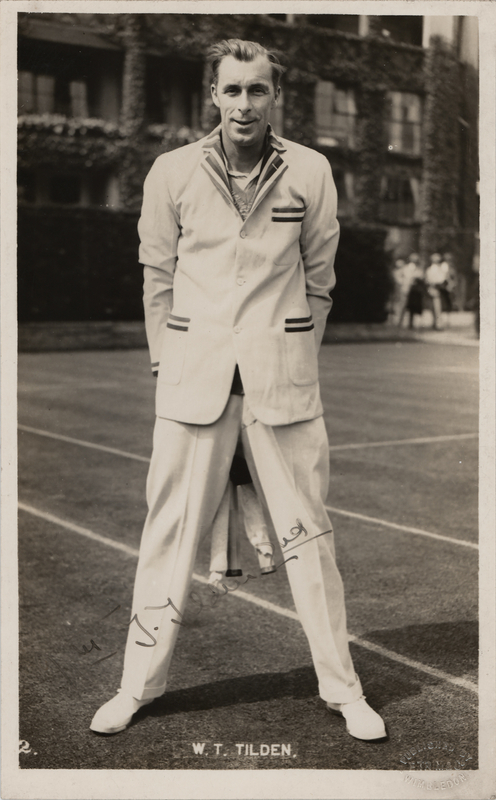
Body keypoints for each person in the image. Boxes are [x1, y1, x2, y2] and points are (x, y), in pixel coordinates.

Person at [90, 39, 387, 742]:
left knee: (310, 538)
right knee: (165, 536)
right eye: (233, 90)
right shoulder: (172, 171)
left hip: (282, 386)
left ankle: (343, 690)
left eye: (258, 91)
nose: (245, 104)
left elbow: (321, 278)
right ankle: (137, 685)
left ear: (275, 96)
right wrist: (167, 362)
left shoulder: (312, 170)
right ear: (213, 96)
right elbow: (156, 277)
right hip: (193, 383)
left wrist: (290, 358)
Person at [425, 252, 450, 330]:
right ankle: (437, 324)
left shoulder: (439, 268)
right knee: (436, 307)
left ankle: (436, 323)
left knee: (437, 307)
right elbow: (432, 280)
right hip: (435, 288)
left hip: (438, 288)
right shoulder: (432, 269)